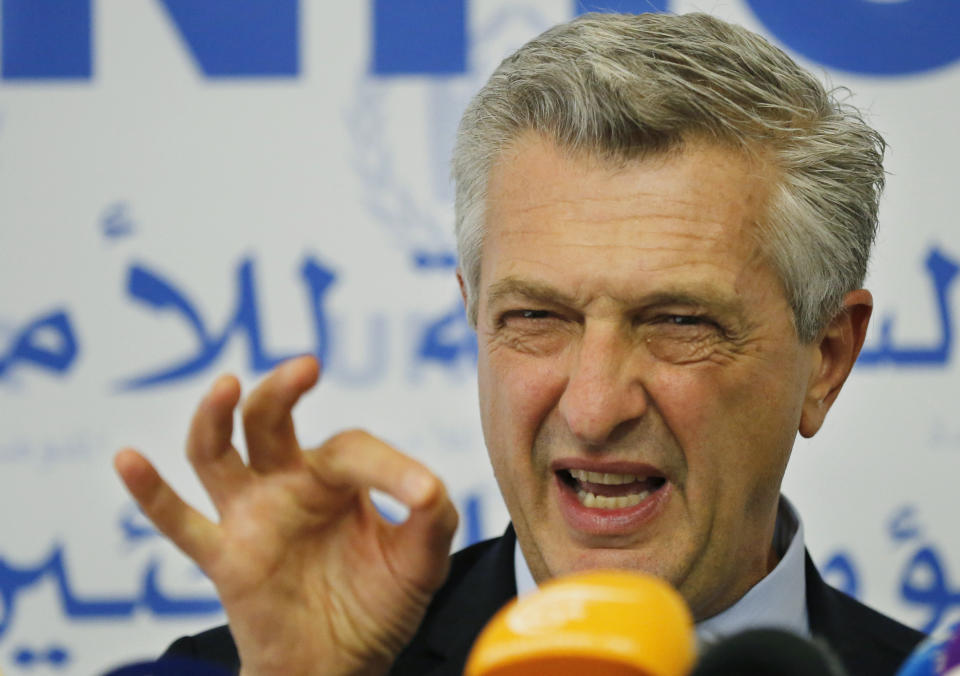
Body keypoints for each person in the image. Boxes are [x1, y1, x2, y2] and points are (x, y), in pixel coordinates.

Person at [114, 11, 925, 676]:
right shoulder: (286, 668)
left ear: (826, 359)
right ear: (473, 315)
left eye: (679, 322)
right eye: (537, 318)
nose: (594, 407)